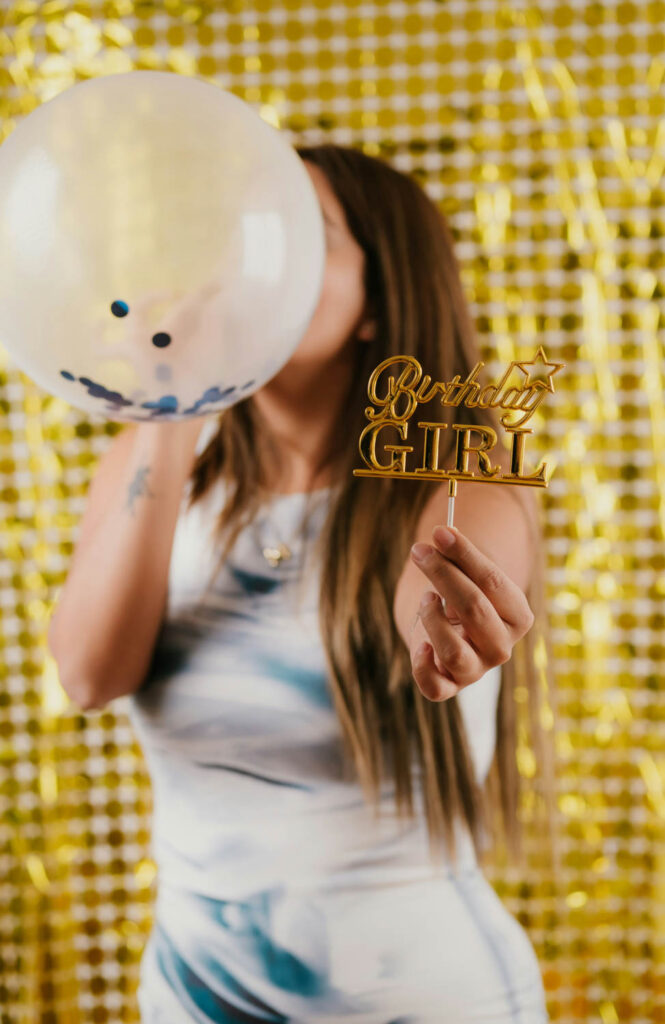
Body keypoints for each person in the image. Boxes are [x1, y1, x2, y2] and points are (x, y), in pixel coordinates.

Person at [49, 143, 556, 1022]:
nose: (253, 262)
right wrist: (175, 409)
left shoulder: (457, 476)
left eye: (302, 233)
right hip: (195, 998)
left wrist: (446, 640)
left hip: (422, 998)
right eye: (245, 235)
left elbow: (421, 605)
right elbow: (90, 676)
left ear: (377, 301)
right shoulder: (154, 460)